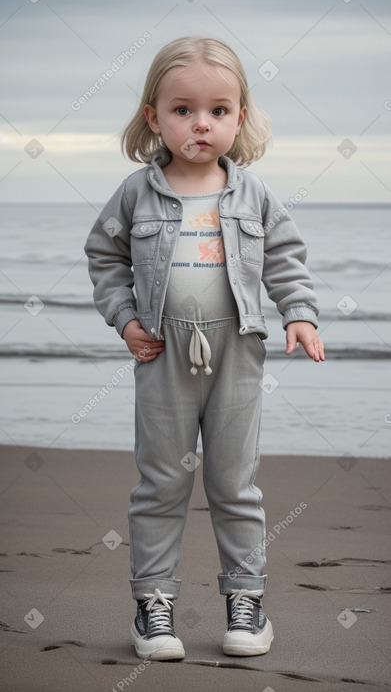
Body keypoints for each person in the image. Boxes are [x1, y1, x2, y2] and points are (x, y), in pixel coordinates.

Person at [84, 35, 325, 662]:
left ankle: (246, 604)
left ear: (239, 116)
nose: (201, 124)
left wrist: (299, 315)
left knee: (233, 483)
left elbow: (285, 260)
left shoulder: (254, 195)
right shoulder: (137, 193)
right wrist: (125, 318)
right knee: (161, 483)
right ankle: (153, 606)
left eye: (219, 110)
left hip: (238, 355)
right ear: (154, 118)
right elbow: (105, 256)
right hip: (161, 354)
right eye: (184, 110)